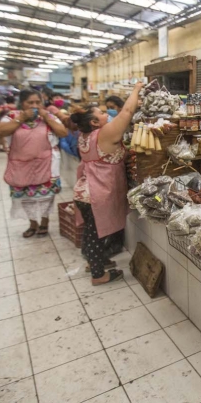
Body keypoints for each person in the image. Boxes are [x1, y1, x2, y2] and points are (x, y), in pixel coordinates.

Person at [71, 83, 142, 285]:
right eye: (102, 113)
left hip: (85, 191)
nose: (106, 115)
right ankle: (98, 275)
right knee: (96, 234)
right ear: (94, 122)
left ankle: (95, 261)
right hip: (96, 192)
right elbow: (127, 111)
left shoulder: (86, 136)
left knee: (93, 231)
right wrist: (136, 89)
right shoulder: (105, 134)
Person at [0, 89, 68, 237]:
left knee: (45, 197)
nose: (34, 105)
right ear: (22, 103)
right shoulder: (12, 116)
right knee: (26, 197)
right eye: (30, 102)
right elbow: (1, 131)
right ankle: (32, 224)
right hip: (21, 165)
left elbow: (62, 132)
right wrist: (21, 119)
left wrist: (47, 118)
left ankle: (44, 223)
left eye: (37, 102)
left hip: (46, 164)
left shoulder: (48, 116)